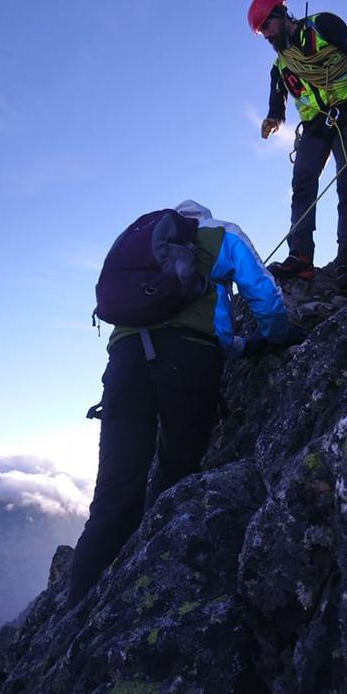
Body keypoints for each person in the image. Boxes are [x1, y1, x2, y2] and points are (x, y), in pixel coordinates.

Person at [67, 199, 304, 606]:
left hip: (124, 366)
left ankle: (75, 612)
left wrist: (237, 346)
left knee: (114, 494)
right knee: (178, 475)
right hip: (189, 362)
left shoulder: (138, 245)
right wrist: (277, 337)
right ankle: (159, 588)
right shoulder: (220, 233)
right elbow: (261, 292)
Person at [247, 0, 347, 291]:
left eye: (267, 26)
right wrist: (273, 121)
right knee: (303, 183)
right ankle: (300, 255)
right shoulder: (281, 66)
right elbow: (277, 105)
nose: (267, 35)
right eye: (262, 32)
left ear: (281, 16)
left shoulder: (323, 25)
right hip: (315, 127)